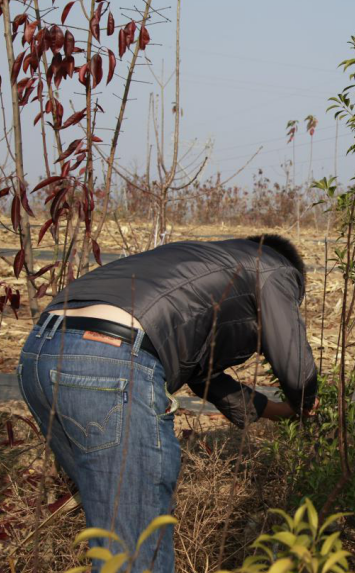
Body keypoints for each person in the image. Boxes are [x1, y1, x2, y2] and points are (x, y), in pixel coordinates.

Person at [18, 235, 317, 572]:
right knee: (139, 548)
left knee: (114, 532)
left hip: (39, 356)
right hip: (109, 360)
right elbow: (294, 363)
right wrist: (310, 404)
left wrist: (282, 413)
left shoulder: (199, 259)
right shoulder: (275, 266)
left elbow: (204, 378)